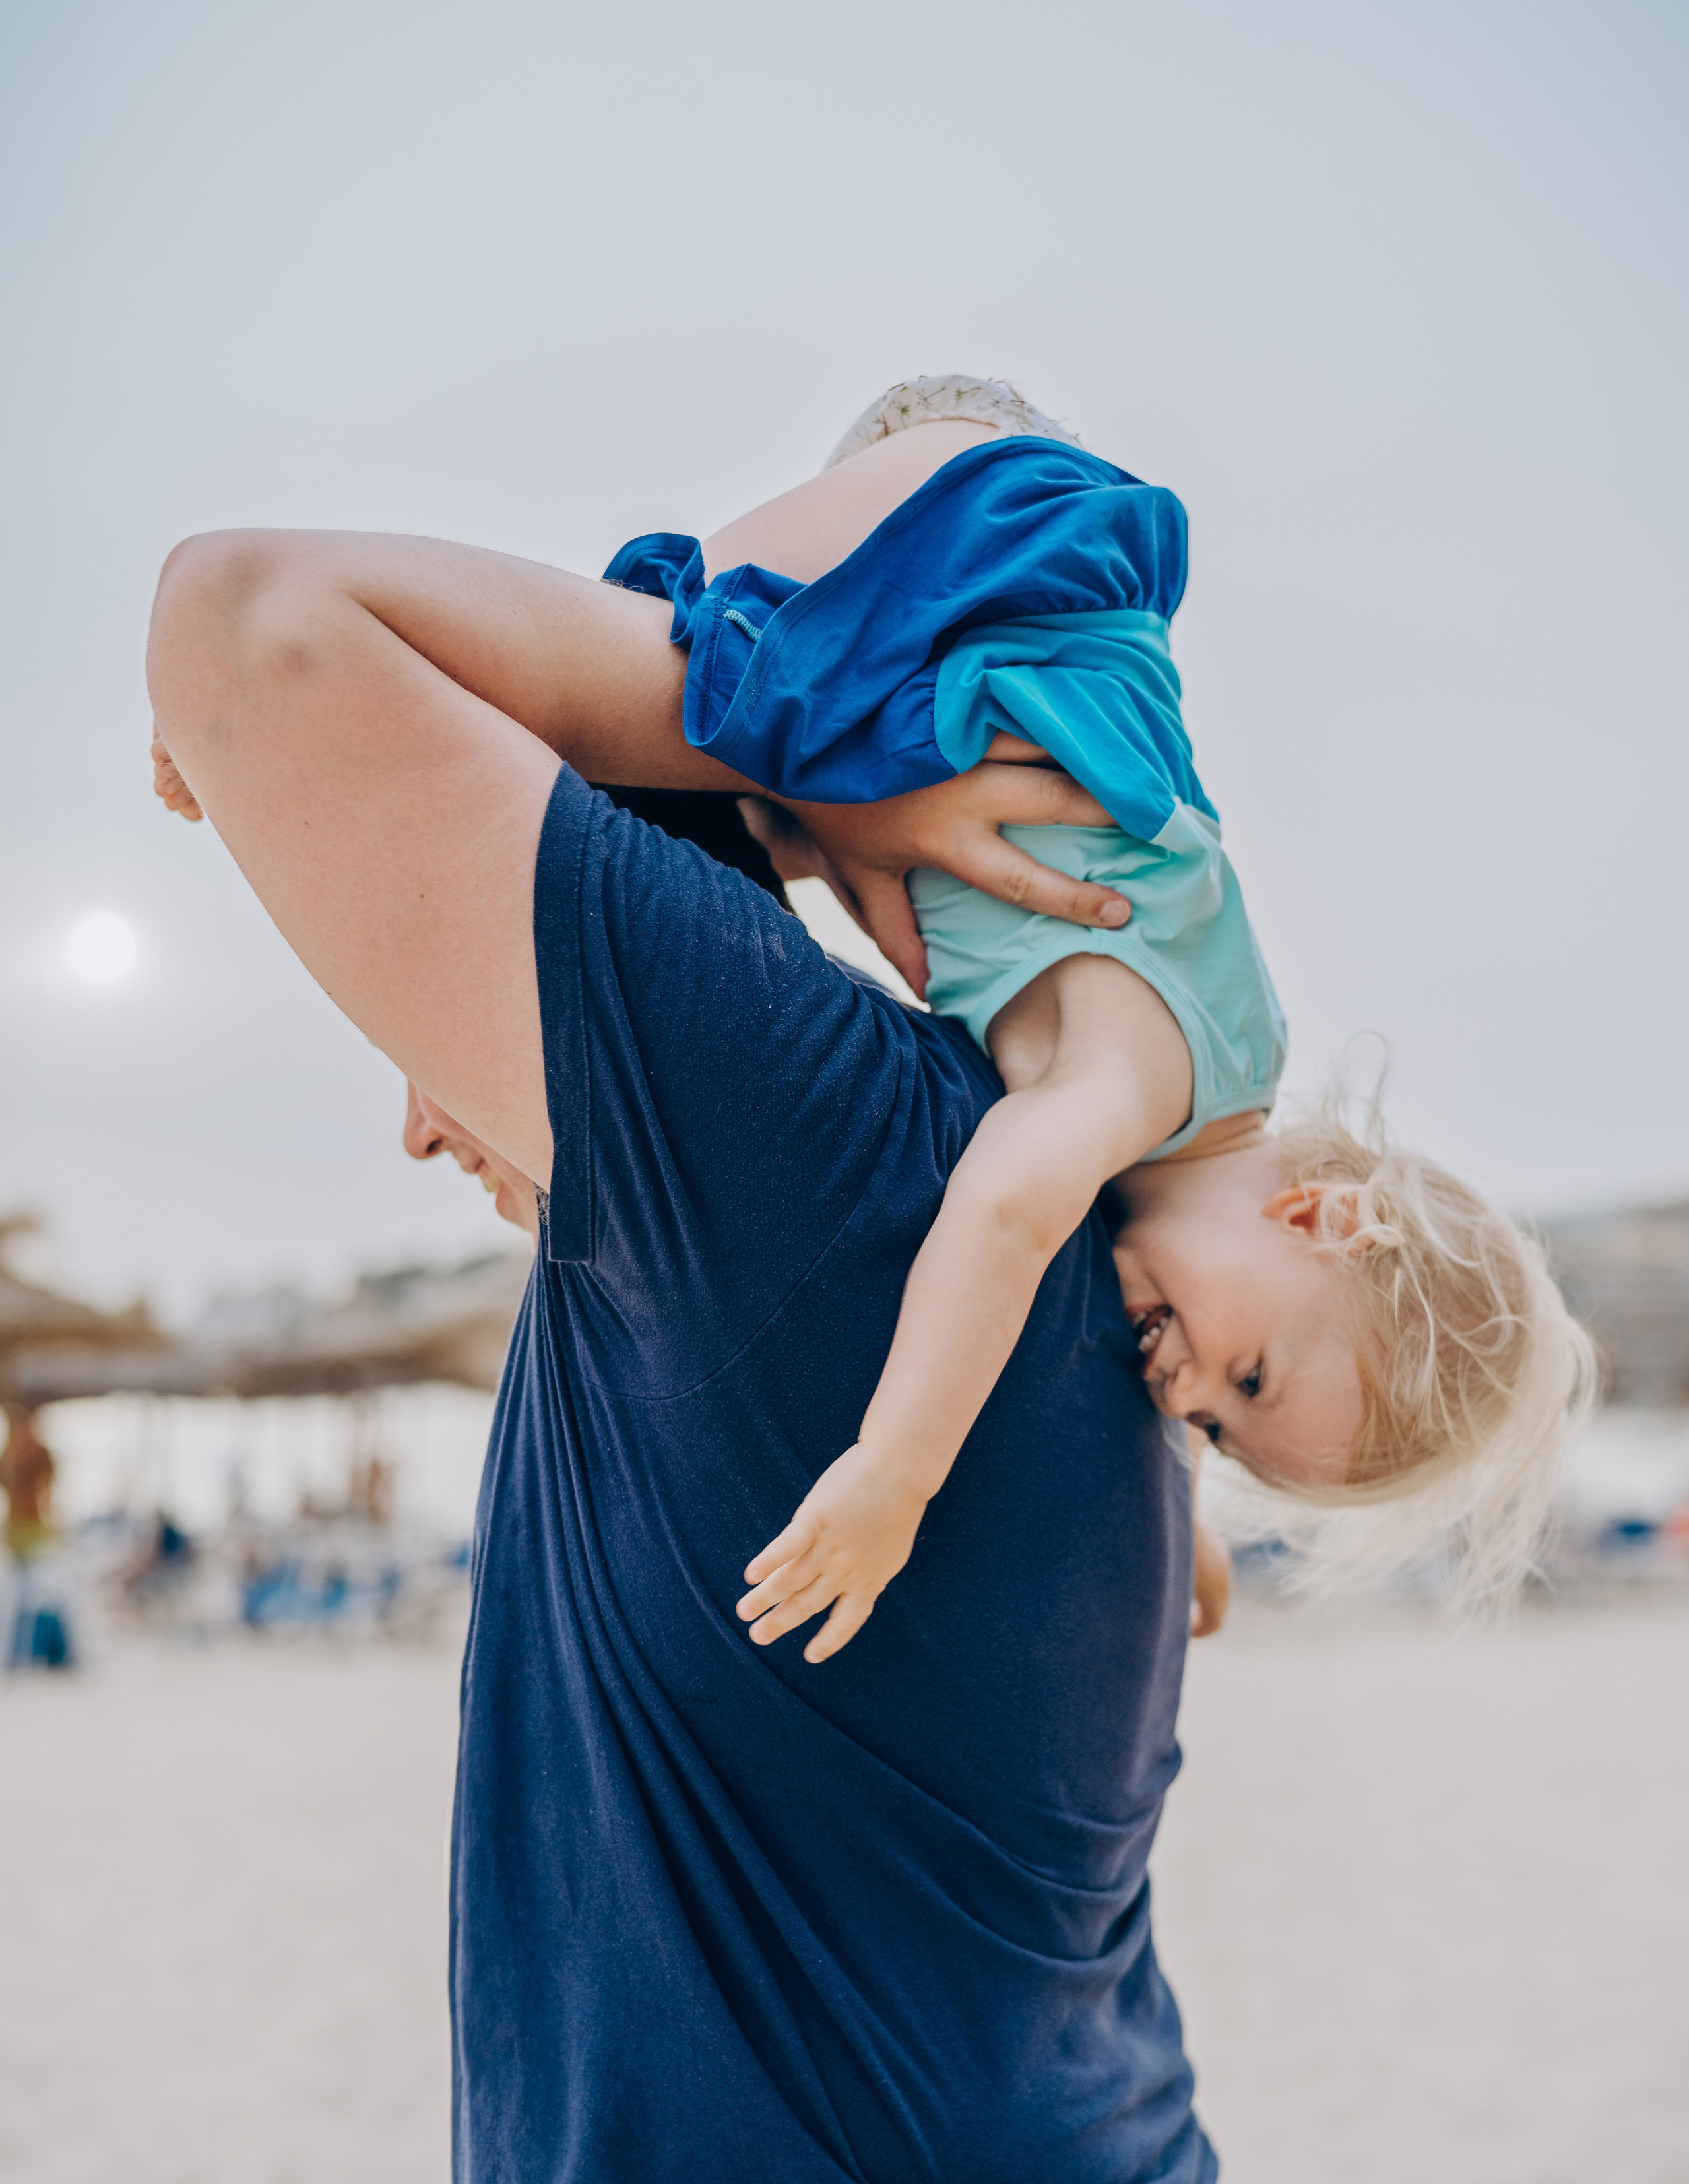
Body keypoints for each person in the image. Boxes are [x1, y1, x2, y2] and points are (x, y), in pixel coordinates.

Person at [147, 413, 1225, 2180]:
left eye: (783, 623)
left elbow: (250, 619)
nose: (416, 1113)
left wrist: (811, 743)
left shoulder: (832, 1158)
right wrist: (841, 778)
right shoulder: (1075, 1247)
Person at [594, 375, 1591, 1659]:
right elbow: (1006, 1213)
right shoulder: (1141, 1083)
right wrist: (895, 1471)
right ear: (1321, 1216)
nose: (1181, 1394)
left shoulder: (1213, 1121)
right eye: (1245, 1381)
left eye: (1219, 1429)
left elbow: (1220, 1287)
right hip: (979, 555)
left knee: (688, 815)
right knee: (617, 687)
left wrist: (1188, 1525)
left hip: (971, 559)